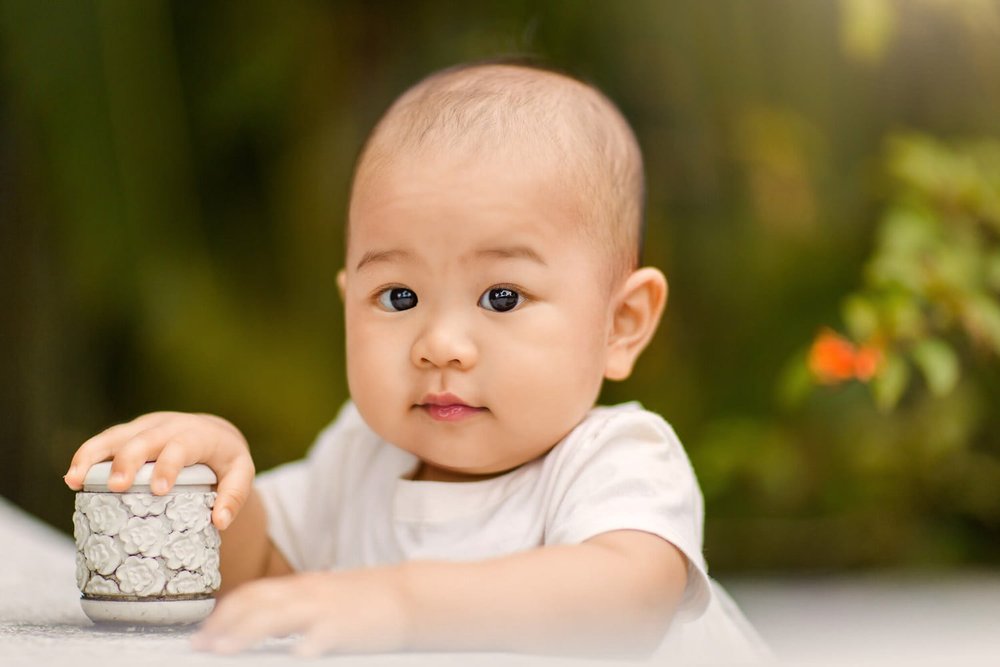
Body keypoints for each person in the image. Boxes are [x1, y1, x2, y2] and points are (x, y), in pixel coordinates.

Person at [64, 61, 769, 661]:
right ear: (347, 303)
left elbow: (626, 599)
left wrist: (400, 600)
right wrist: (215, 479)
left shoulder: (614, 461)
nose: (440, 343)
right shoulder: (359, 457)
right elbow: (262, 581)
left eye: (501, 295)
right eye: (398, 295)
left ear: (621, 324)